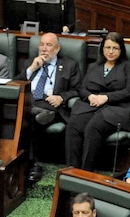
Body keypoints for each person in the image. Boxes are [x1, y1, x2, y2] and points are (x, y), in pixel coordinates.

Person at [65, 32, 130, 171]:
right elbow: (82, 88)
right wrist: (90, 96)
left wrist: (106, 98)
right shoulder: (93, 66)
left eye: (115, 48)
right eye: (107, 47)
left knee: (93, 126)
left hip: (116, 108)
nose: (110, 52)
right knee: (73, 125)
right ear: (102, 49)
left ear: (121, 50)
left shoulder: (128, 66)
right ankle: (71, 172)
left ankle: (86, 173)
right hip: (91, 105)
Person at [17, 32, 82, 182]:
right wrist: (31, 69)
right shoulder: (30, 63)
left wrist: (61, 97)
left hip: (52, 105)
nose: (44, 49)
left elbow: (78, 89)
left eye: (48, 45)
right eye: (41, 45)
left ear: (57, 48)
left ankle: (35, 164)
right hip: (30, 103)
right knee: (29, 116)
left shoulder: (69, 65)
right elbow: (16, 84)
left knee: (29, 119)